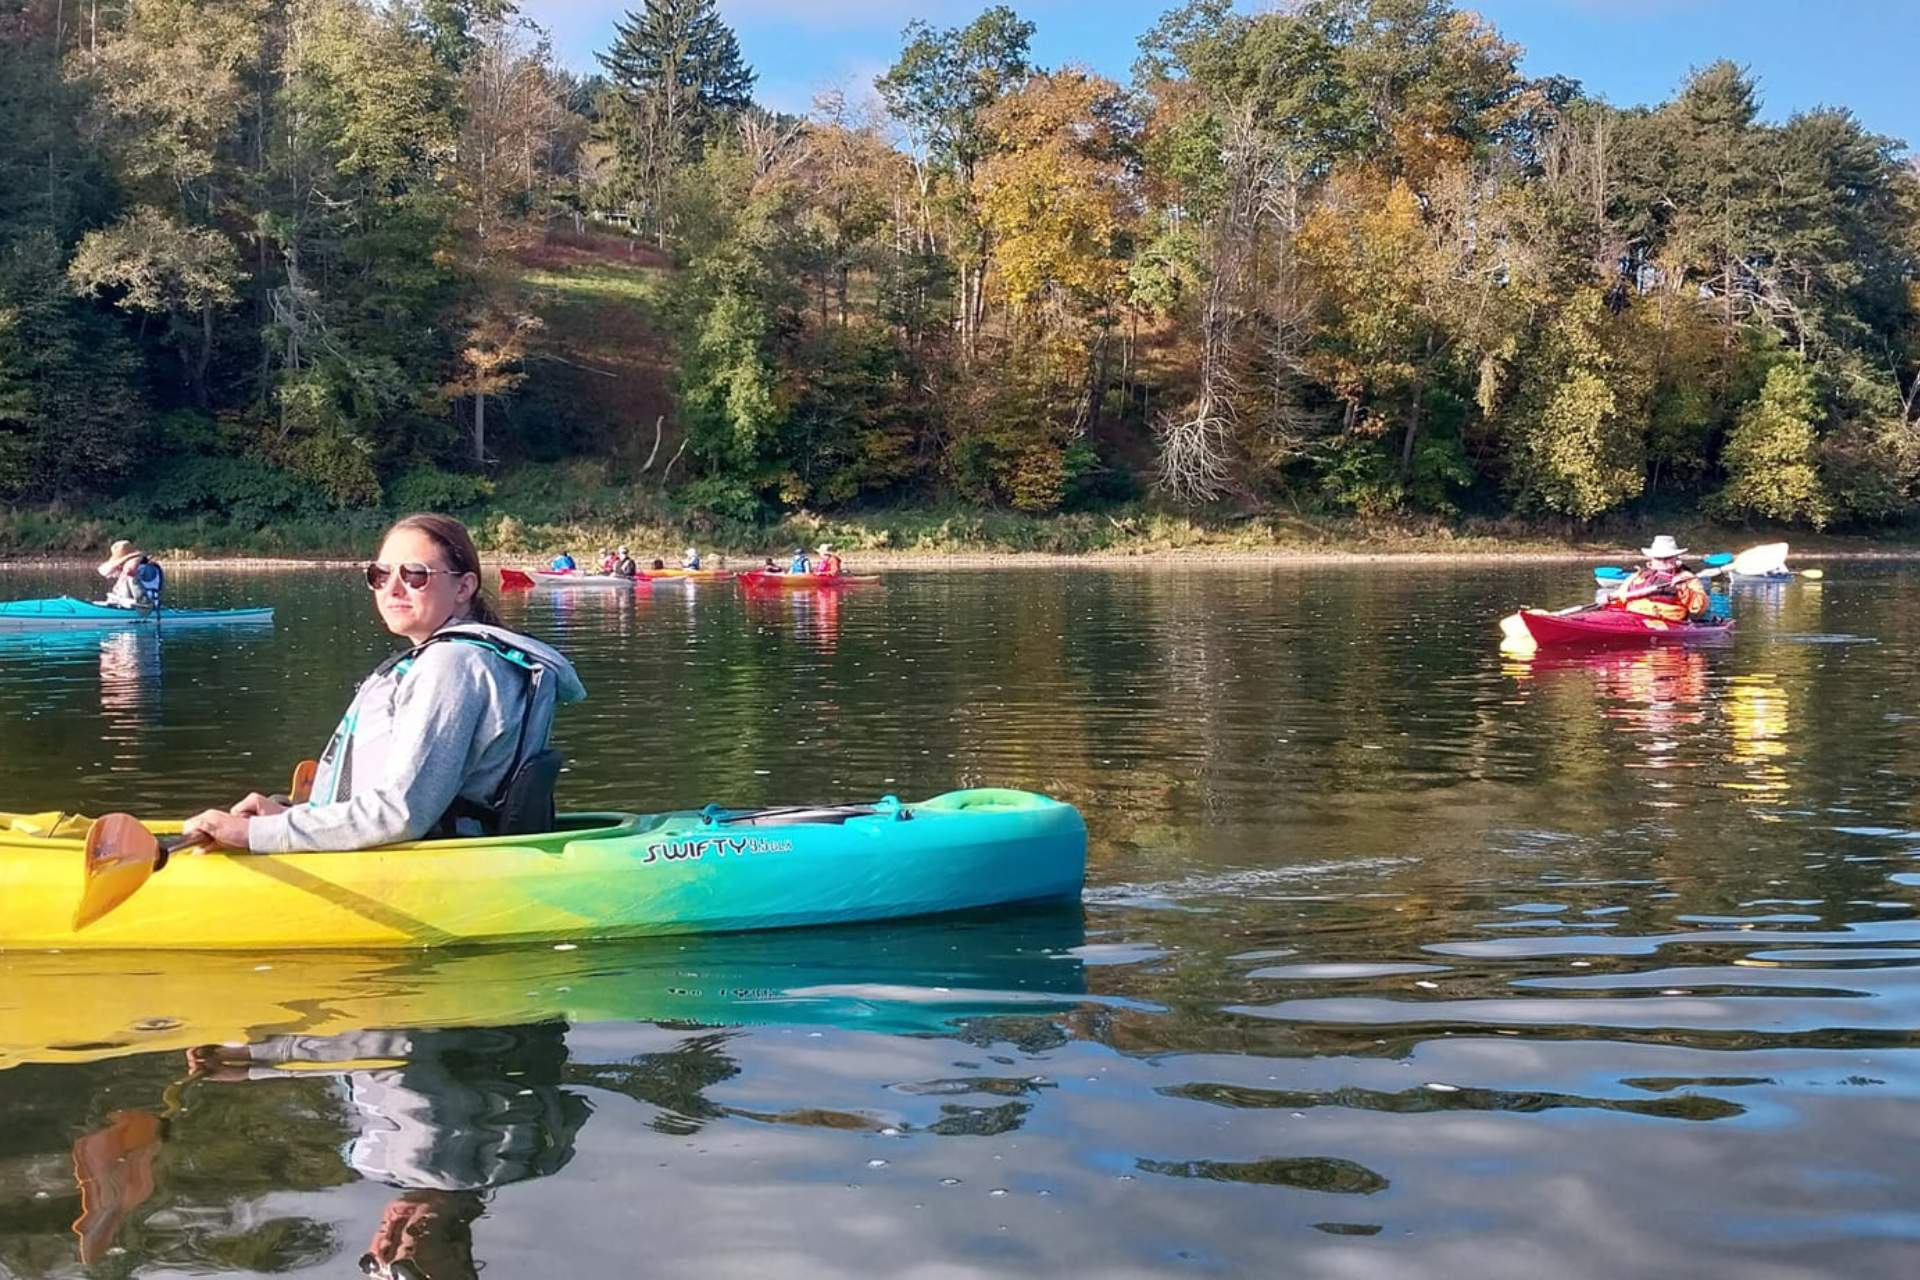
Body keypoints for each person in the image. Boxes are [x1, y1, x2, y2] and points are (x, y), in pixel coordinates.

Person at [180, 513, 586, 853]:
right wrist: (292, 816)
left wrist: (255, 835)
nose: (392, 588)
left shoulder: (452, 665)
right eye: (380, 574)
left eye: (415, 575)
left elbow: (401, 813)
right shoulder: (457, 656)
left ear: (464, 587)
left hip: (430, 866)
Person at [1613, 535, 1709, 622]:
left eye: (1667, 558)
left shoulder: (1686, 577)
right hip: (1632, 617)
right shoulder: (1637, 576)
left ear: (1675, 558)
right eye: (1658, 558)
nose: (1662, 561)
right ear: (1652, 558)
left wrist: (1683, 588)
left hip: (1666, 621)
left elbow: (1699, 608)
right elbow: (1619, 598)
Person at [98, 540, 164, 610]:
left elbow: (131, 572)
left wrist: (131, 565)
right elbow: (108, 573)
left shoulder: (147, 568)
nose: (120, 565)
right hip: (126, 606)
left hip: (145, 608)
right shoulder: (130, 569)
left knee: (131, 577)